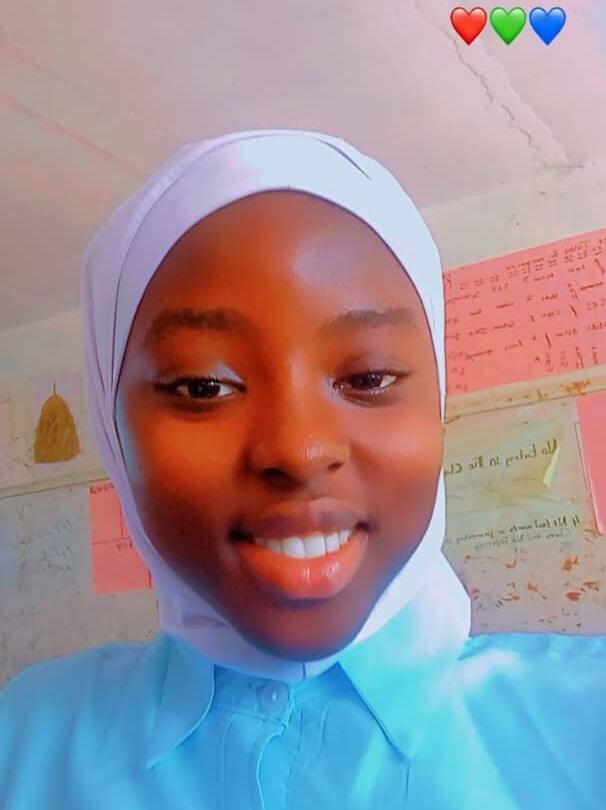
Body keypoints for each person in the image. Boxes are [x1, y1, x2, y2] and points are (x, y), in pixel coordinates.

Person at [0, 129, 604, 810]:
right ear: (112, 428)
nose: (297, 450)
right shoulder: (27, 741)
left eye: (368, 377)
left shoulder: (587, 725)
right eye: (204, 386)